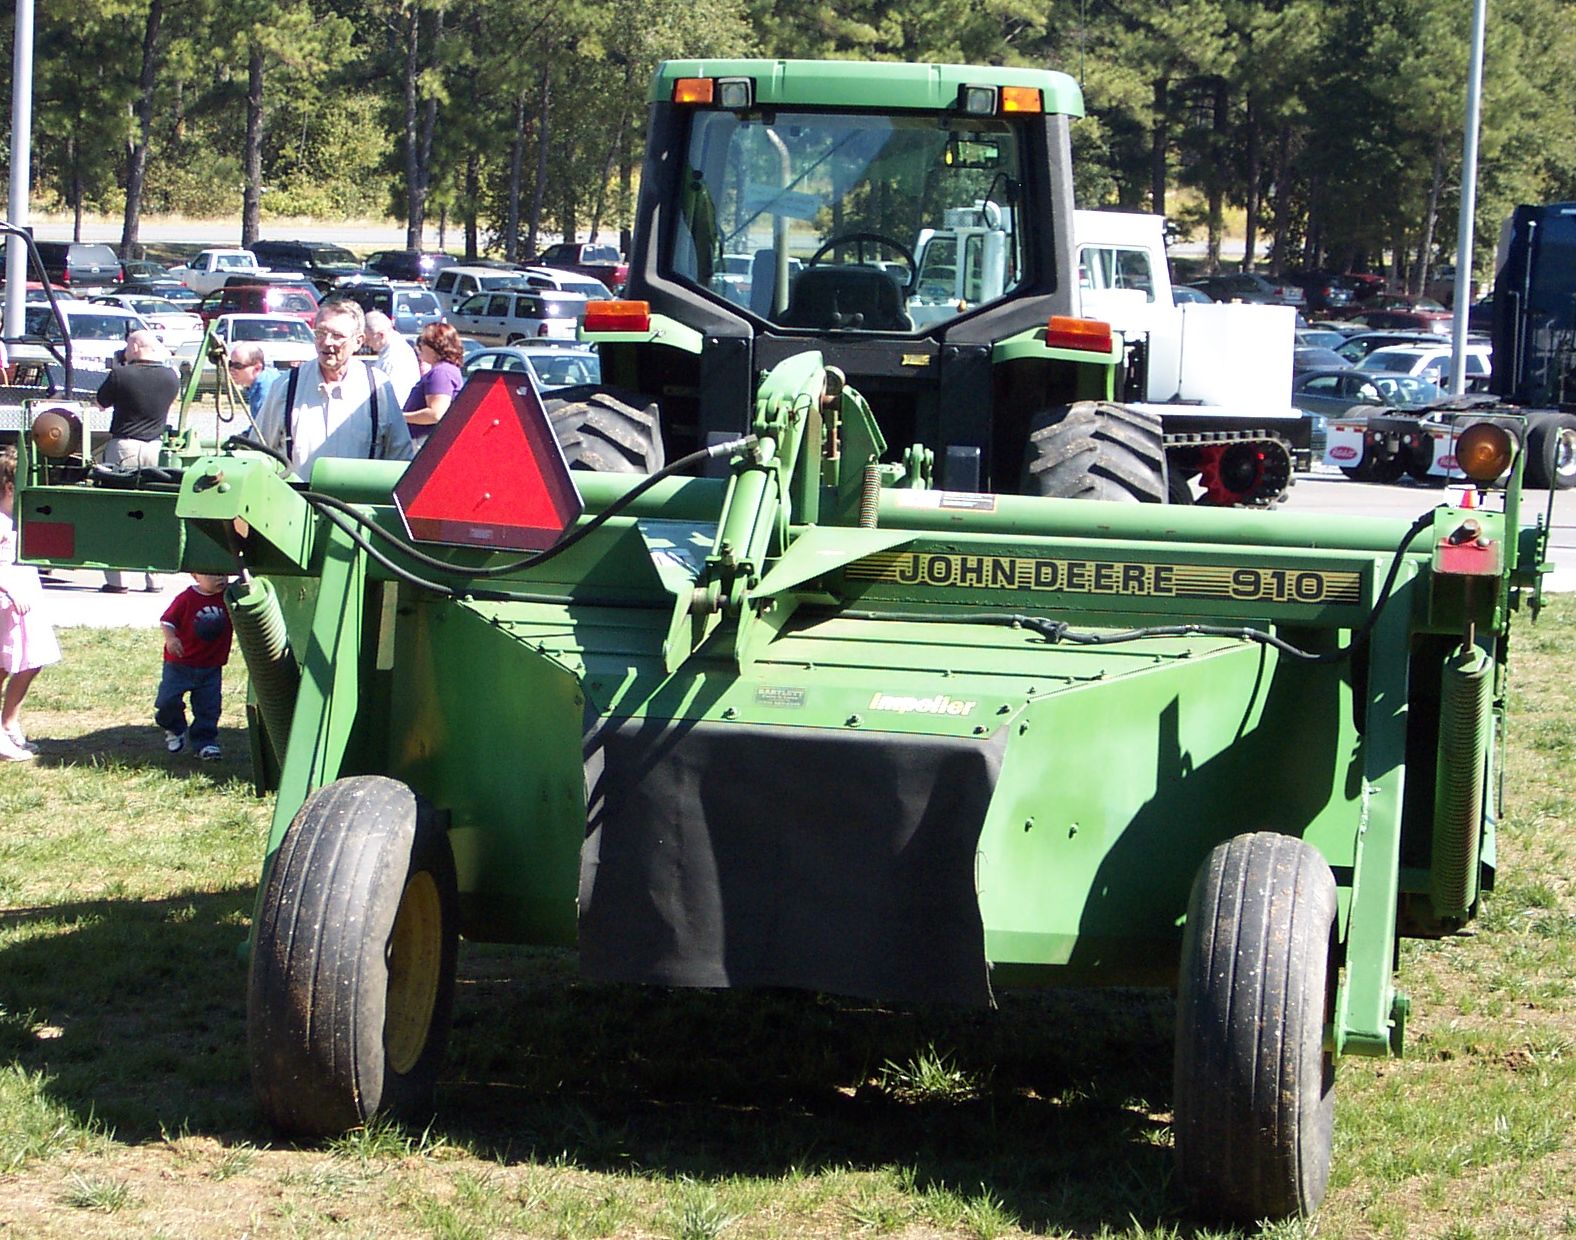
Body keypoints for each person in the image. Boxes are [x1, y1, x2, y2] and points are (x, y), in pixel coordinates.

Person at [253, 299, 414, 478]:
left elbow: (401, 458)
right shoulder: (286, 386)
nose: (327, 342)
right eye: (321, 333)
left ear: (359, 341)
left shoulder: (378, 389)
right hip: (299, 501)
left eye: (337, 335)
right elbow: (258, 453)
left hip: (356, 504)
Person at [97, 329, 178, 592]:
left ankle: (118, 580)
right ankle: (154, 577)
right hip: (156, 448)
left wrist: (120, 368)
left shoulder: (121, 375)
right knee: (151, 513)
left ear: (135, 346)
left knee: (117, 512)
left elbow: (101, 402)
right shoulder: (171, 377)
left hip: (125, 447)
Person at [0, 445, 61, 761]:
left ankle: (8, 722)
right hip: (7, 602)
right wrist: (9, 590)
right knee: (2, 666)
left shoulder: (22, 519)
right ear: (11, 486)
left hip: (26, 600)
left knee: (31, 661)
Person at [156, 571, 233, 761]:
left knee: (209, 708)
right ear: (195, 576)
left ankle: (205, 743)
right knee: (167, 701)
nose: (220, 578)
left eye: (224, 574)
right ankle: (174, 727)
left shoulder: (229, 598)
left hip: (210, 665)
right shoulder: (186, 598)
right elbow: (167, 621)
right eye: (212, 574)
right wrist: (171, 639)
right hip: (180, 664)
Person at [404, 321, 466, 443]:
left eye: (422, 343)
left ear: (435, 346)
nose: (419, 347)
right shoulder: (446, 370)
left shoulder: (441, 373)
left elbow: (436, 414)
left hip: (424, 441)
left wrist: (401, 418)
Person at [362, 309, 420, 407]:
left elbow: (394, 398)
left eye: (368, 339)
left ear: (381, 335)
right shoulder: (392, 348)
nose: (366, 344)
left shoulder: (395, 357)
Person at [227, 342, 279, 427]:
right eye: (230, 364)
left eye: (238, 365)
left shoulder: (265, 393)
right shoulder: (265, 378)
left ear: (257, 368)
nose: (231, 369)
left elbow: (265, 430)